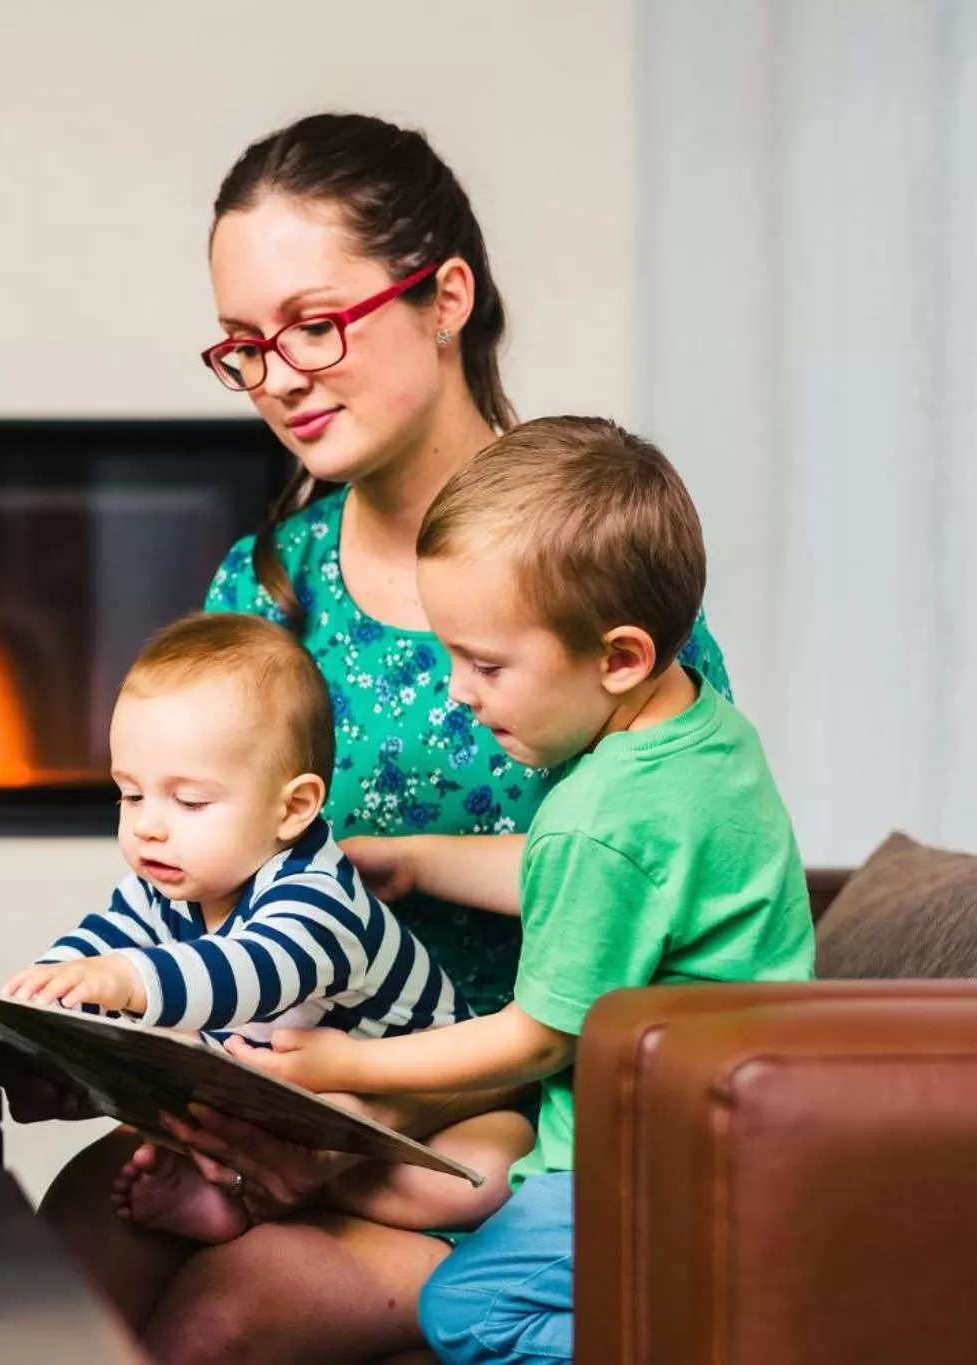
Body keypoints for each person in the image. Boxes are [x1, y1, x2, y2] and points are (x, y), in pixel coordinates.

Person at [32, 111, 732, 1365]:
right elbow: (198, 875)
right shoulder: (265, 584)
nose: (280, 377)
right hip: (289, 1083)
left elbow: (671, 906)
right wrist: (91, 1039)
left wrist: (339, 1126)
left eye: (314, 324)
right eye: (242, 347)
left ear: (445, 295)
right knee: (62, 1236)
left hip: (503, 1143)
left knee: (229, 1315)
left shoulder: (586, 573)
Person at [231, 416, 817, 1363]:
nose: (460, 691)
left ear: (617, 657)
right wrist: (420, 858)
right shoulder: (697, 739)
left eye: (488, 664)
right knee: (438, 1177)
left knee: (467, 1306)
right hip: (736, 1130)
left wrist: (335, 1063)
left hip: (647, 1163)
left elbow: (538, 1034)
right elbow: (590, 874)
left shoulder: (604, 814)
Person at [2, 612, 518, 1245]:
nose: (147, 827)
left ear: (293, 808)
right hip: (295, 1106)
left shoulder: (319, 897)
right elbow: (100, 942)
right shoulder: (170, 884)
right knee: (191, 1126)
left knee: (481, 1173)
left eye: (188, 802)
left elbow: (251, 970)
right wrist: (43, 999)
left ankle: (310, 1193)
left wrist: (123, 980)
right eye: (130, 795)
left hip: (434, 1104)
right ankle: (234, 1197)